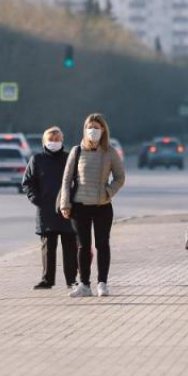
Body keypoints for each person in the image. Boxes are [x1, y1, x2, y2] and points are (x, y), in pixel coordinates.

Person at [60, 113, 125, 298]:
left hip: (102, 206)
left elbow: (120, 177)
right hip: (80, 206)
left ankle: (102, 283)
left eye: (97, 127)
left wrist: (108, 192)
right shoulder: (77, 151)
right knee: (83, 246)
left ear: (103, 130)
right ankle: (84, 285)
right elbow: (66, 179)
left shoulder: (110, 152)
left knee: (102, 244)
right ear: (85, 129)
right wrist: (65, 204)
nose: (93, 131)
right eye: (90, 127)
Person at [22, 126, 78, 290]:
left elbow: (78, 181)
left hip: (67, 209)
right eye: (51, 139)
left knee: (69, 246)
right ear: (44, 142)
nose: (54, 142)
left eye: (57, 139)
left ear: (62, 140)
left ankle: (71, 279)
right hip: (46, 210)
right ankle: (47, 279)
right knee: (48, 248)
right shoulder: (37, 159)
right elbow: (27, 182)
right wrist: (37, 199)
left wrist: (73, 201)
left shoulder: (70, 158)